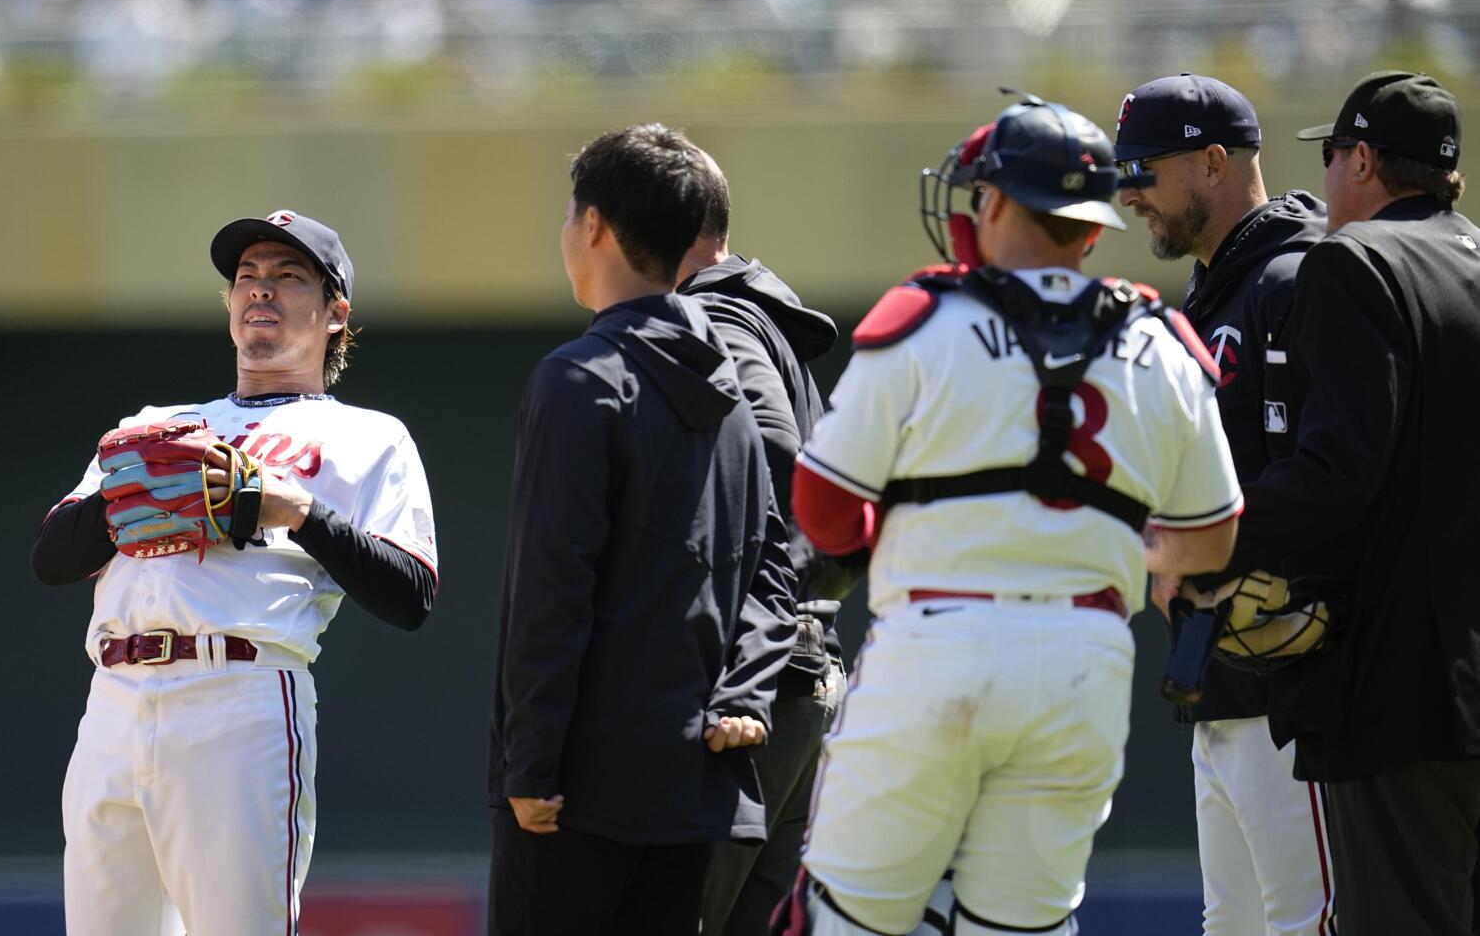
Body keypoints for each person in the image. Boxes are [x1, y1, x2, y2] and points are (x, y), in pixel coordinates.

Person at [778, 94, 1244, 936]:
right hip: (1084, 661)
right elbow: (1213, 538)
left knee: (846, 923)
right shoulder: (1162, 341)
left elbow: (821, 505)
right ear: (1094, 227)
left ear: (993, 203)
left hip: (934, 644)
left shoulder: (924, 320)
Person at [30, 209, 440, 936]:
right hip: (115, 701)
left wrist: (297, 509)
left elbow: (410, 594)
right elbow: (53, 556)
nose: (261, 289)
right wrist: (133, 499)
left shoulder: (367, 435)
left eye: (287, 276)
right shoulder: (157, 424)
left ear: (335, 311)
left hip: (238, 693)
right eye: (246, 276)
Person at [1180, 71, 1478, 935]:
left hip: (1397, 692)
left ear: (1365, 160)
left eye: (1335, 154)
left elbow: (1336, 471)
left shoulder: (1351, 261)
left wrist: (1212, 543)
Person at [486, 122, 798, 935]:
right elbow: (775, 564)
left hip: (574, 795)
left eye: (569, 214)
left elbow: (552, 586)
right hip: (697, 787)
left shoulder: (578, 378)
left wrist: (531, 762)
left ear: (594, 225)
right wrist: (746, 693)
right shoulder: (730, 388)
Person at [1114, 73, 1338, 936]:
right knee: (1233, 927)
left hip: (1293, 686)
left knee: (1308, 923)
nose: (1130, 195)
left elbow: (1334, 477)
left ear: (1213, 162)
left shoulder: (1300, 276)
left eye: (1147, 171)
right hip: (1216, 679)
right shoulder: (1207, 296)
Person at [673, 146, 862, 936]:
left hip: (754, 696)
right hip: (794, 675)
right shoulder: (751, 312)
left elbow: (788, 472)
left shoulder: (714, 313)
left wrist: (746, 651)